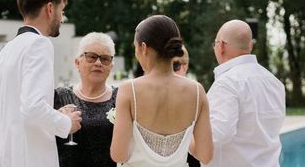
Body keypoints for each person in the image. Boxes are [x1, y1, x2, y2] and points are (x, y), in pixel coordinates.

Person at [0, 0, 82, 167]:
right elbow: (32, 106)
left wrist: (54, 113)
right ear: (50, 9)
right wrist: (66, 122)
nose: (61, 18)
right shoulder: (39, 44)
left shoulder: (6, 51)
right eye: (61, 11)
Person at [110, 15, 213, 166]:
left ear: (144, 48)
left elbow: (118, 154)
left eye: (135, 47)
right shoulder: (197, 91)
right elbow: (206, 155)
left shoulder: (129, 90)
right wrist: (182, 138)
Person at [205, 19, 285, 167]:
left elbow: (213, 137)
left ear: (221, 46)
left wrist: (185, 138)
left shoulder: (227, 83)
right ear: (250, 46)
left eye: (215, 43)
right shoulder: (274, 82)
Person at [54, 32, 118, 167]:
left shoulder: (120, 98)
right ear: (77, 62)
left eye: (105, 59)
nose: (98, 63)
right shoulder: (60, 97)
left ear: (111, 66)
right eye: (91, 57)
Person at [172, 46, 200, 167]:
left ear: (186, 66)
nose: (170, 71)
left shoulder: (197, 94)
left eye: (175, 65)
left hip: (190, 157)